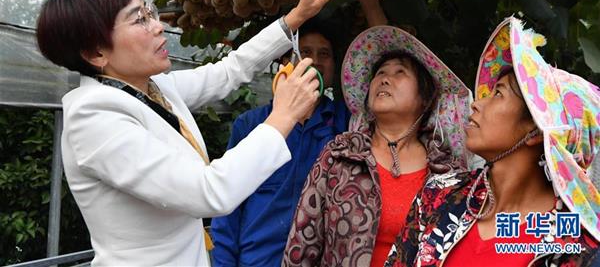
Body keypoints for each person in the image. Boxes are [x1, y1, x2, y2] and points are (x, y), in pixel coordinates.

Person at [35, 0, 333, 266]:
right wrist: (284, 115)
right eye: (139, 20)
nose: (158, 25)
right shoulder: (94, 118)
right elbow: (209, 192)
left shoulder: (152, 90)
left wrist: (297, 16)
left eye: (149, 11)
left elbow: (228, 72)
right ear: (96, 53)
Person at [385, 17, 600, 267]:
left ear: (537, 130)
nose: (477, 103)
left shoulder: (576, 247)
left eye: (498, 93)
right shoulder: (439, 196)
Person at [282, 24, 473, 267]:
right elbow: (301, 246)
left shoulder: (448, 174)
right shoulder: (340, 155)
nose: (384, 79)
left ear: (425, 98)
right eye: (380, 73)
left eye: (399, 73)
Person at [210, 18, 351, 267]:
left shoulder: (347, 125)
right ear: (286, 63)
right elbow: (228, 207)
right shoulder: (252, 125)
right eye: (305, 52)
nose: (315, 61)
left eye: (324, 54)